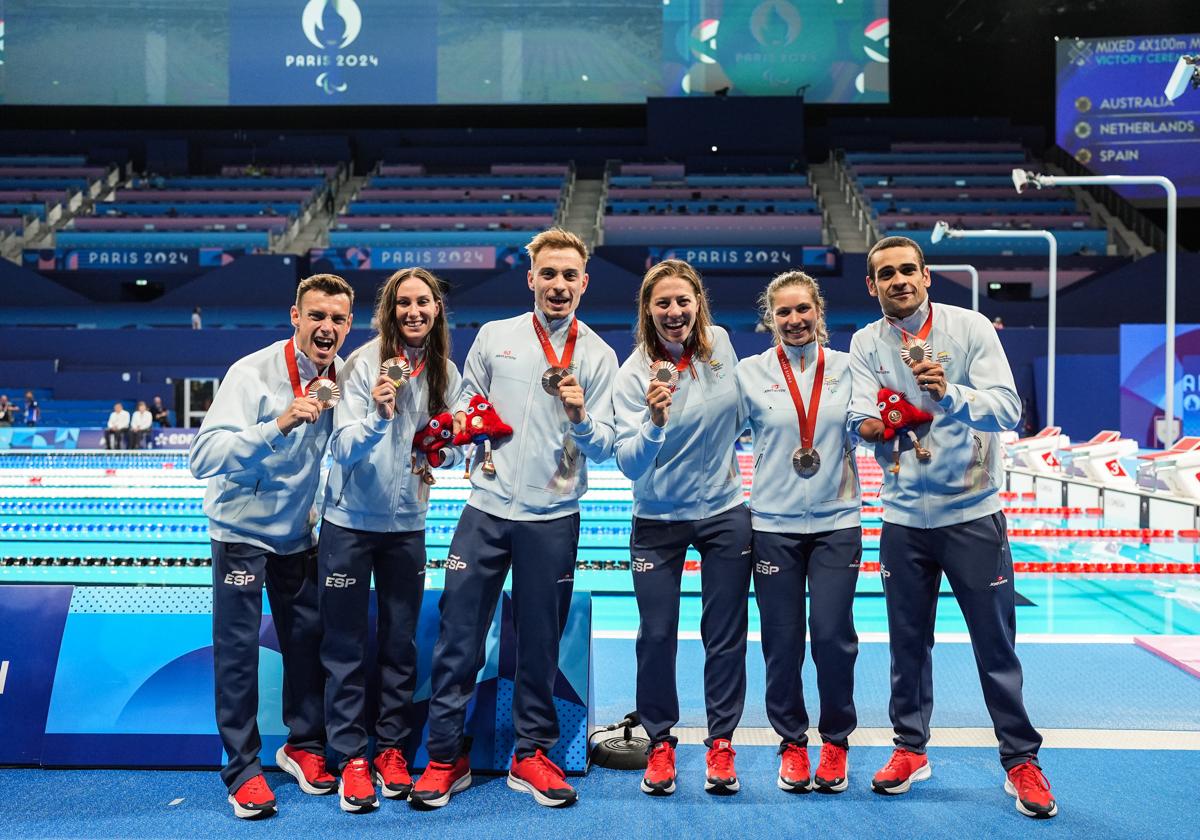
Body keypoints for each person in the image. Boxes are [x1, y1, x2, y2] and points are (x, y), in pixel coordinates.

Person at [848, 236, 1057, 819]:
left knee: (995, 647)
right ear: (872, 286)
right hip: (903, 519)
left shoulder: (969, 330)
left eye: (907, 270)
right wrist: (880, 421)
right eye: (885, 274)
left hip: (972, 514)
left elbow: (1009, 409)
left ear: (926, 276)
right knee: (908, 645)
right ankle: (910, 749)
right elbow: (862, 415)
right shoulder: (867, 343)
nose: (898, 281)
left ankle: (1020, 758)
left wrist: (950, 394)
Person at [410, 228, 617, 810]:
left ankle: (533, 753)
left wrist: (579, 416)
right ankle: (446, 757)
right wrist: (439, 450)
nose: (557, 285)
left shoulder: (599, 355)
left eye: (568, 275)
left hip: (552, 517)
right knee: (458, 639)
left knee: (539, 644)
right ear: (531, 278)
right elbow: (461, 415)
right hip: (485, 511)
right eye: (547, 274)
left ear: (583, 282)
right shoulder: (495, 337)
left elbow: (604, 447)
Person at [189, 273, 354, 819]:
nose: (325, 328)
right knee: (237, 656)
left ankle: (304, 748)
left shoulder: (345, 378)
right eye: (316, 316)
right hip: (239, 534)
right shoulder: (252, 373)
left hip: (298, 536)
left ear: (348, 326)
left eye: (337, 319)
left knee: (307, 644)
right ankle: (241, 770)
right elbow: (202, 458)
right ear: (295, 317)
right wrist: (277, 424)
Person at [317, 267, 461, 813]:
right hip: (350, 522)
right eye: (404, 303)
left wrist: (441, 451)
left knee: (400, 645)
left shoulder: (444, 370)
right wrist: (379, 416)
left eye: (424, 302)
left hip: (407, 528)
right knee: (346, 645)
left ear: (436, 309)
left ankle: (392, 749)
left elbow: (446, 442)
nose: (414, 311)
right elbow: (342, 448)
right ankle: (352, 755)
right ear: (390, 309)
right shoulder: (361, 363)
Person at [611, 259, 751, 797]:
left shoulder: (720, 347)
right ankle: (661, 741)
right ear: (648, 309)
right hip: (657, 520)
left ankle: (721, 742)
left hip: (723, 513)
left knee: (724, 635)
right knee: (657, 635)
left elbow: (740, 416)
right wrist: (653, 422)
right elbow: (627, 463)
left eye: (683, 301)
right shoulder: (631, 376)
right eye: (663, 303)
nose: (674, 312)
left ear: (699, 304)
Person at [735, 271, 861, 794]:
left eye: (803, 309)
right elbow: (721, 434)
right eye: (783, 312)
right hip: (772, 525)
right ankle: (791, 740)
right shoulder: (748, 373)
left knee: (833, 637)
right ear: (770, 319)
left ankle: (835, 740)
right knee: (781, 641)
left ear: (819, 311)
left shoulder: (852, 369)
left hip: (837, 522)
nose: (794, 319)